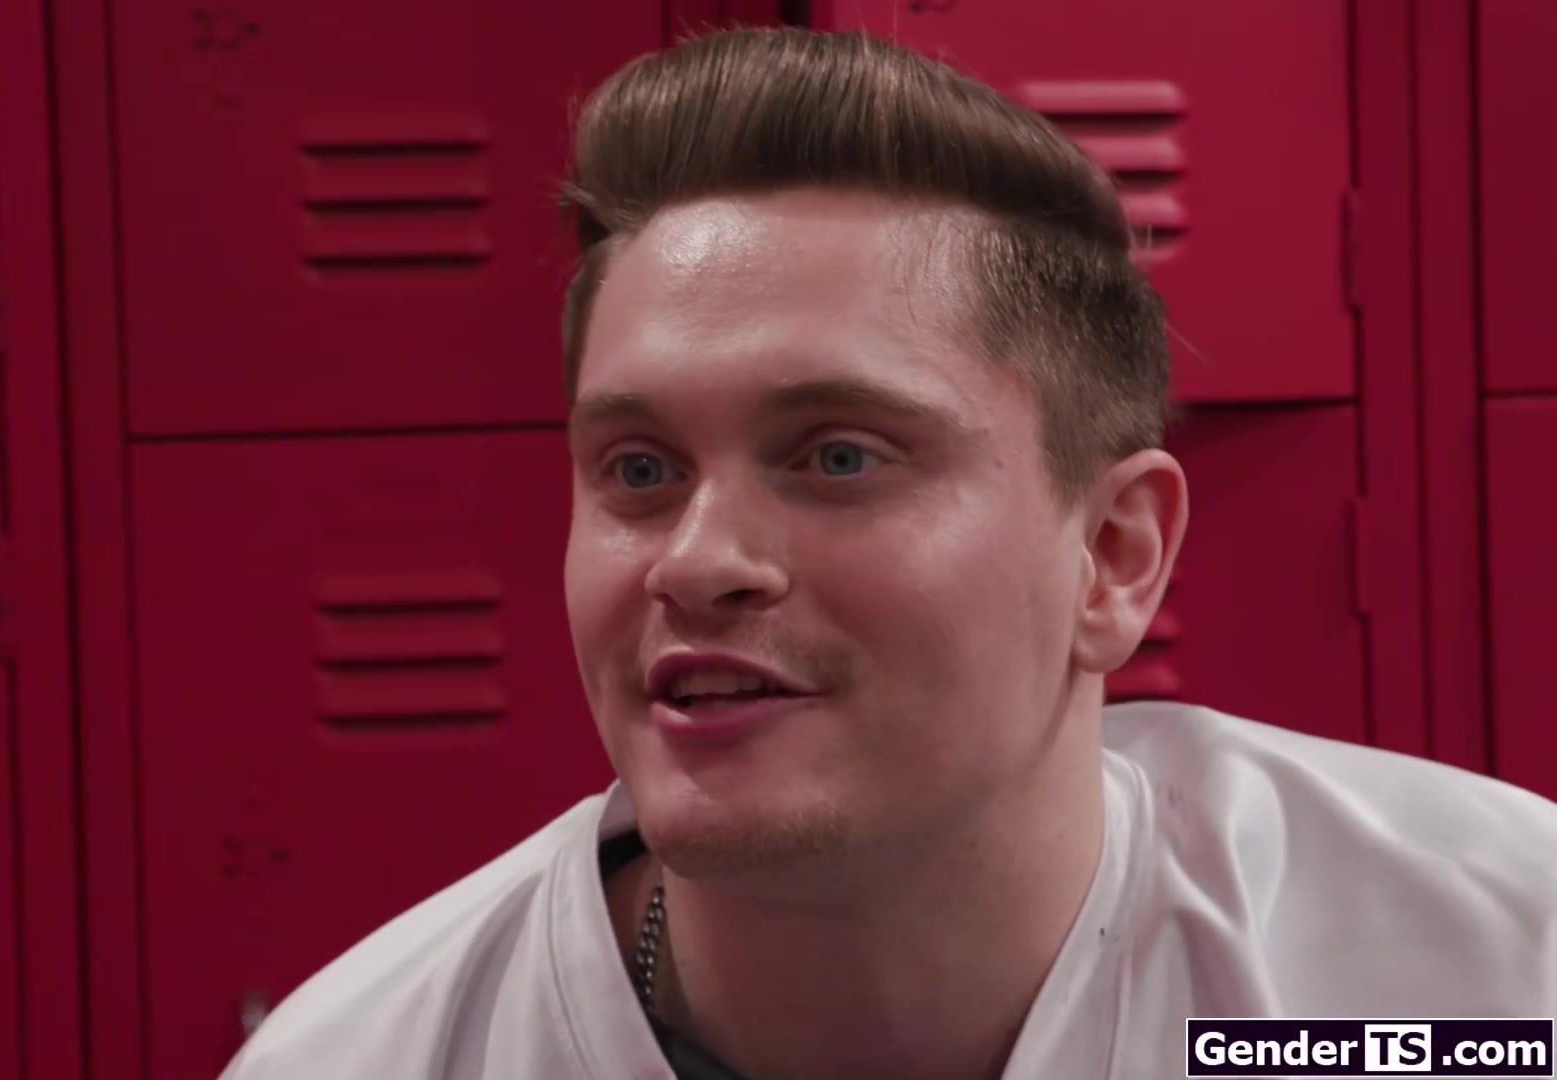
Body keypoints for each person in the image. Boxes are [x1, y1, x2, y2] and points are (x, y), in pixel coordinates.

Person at [221, 27, 1557, 1080]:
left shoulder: (1488, 975)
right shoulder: (368, 1058)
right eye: (640, 471)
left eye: (840, 457)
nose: (696, 561)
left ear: (1112, 557)